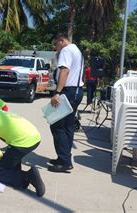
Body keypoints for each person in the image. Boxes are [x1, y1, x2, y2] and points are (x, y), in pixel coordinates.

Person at [48, 33, 84, 173]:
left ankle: (64, 161)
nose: (55, 48)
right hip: (76, 91)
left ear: (61, 41)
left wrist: (57, 92)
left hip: (67, 92)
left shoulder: (66, 50)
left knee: (57, 126)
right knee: (68, 126)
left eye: (55, 45)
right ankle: (64, 157)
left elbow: (65, 70)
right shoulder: (76, 50)